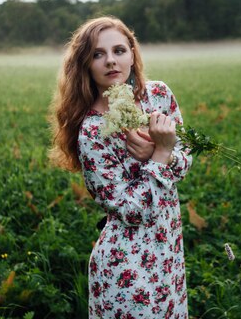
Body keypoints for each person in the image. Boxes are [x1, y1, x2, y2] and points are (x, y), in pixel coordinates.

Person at [50, 16, 192, 318]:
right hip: (126, 265)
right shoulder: (91, 131)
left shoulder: (159, 95)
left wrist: (160, 152)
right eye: (98, 54)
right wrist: (160, 155)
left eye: (119, 50)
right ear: (85, 65)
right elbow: (131, 211)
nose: (111, 61)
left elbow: (185, 159)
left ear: (132, 53)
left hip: (168, 255)